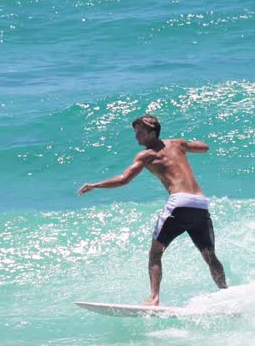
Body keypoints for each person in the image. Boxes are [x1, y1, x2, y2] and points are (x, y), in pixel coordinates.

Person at [78, 114, 227, 305]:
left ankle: (154, 298)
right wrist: (186, 144)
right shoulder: (177, 144)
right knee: (209, 254)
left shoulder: (147, 155)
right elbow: (204, 148)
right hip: (200, 203)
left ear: (151, 132)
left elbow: (124, 179)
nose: (136, 137)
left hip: (179, 203)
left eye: (140, 133)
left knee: (155, 254)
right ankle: (224, 291)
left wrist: (95, 185)